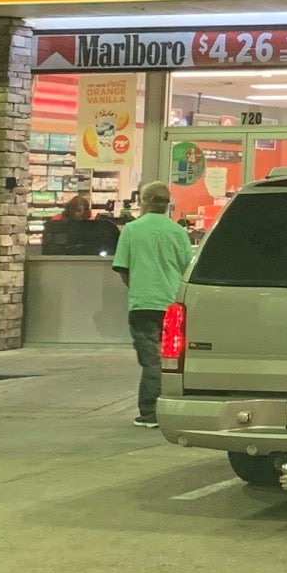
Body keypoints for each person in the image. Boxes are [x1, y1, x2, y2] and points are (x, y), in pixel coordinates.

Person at [110, 182, 193, 429]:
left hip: (143, 305)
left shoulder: (131, 230)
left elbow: (123, 269)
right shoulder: (178, 232)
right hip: (172, 304)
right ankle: (174, 406)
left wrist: (138, 288)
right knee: (172, 359)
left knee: (151, 360)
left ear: (143, 201)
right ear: (167, 205)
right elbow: (187, 268)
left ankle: (150, 412)